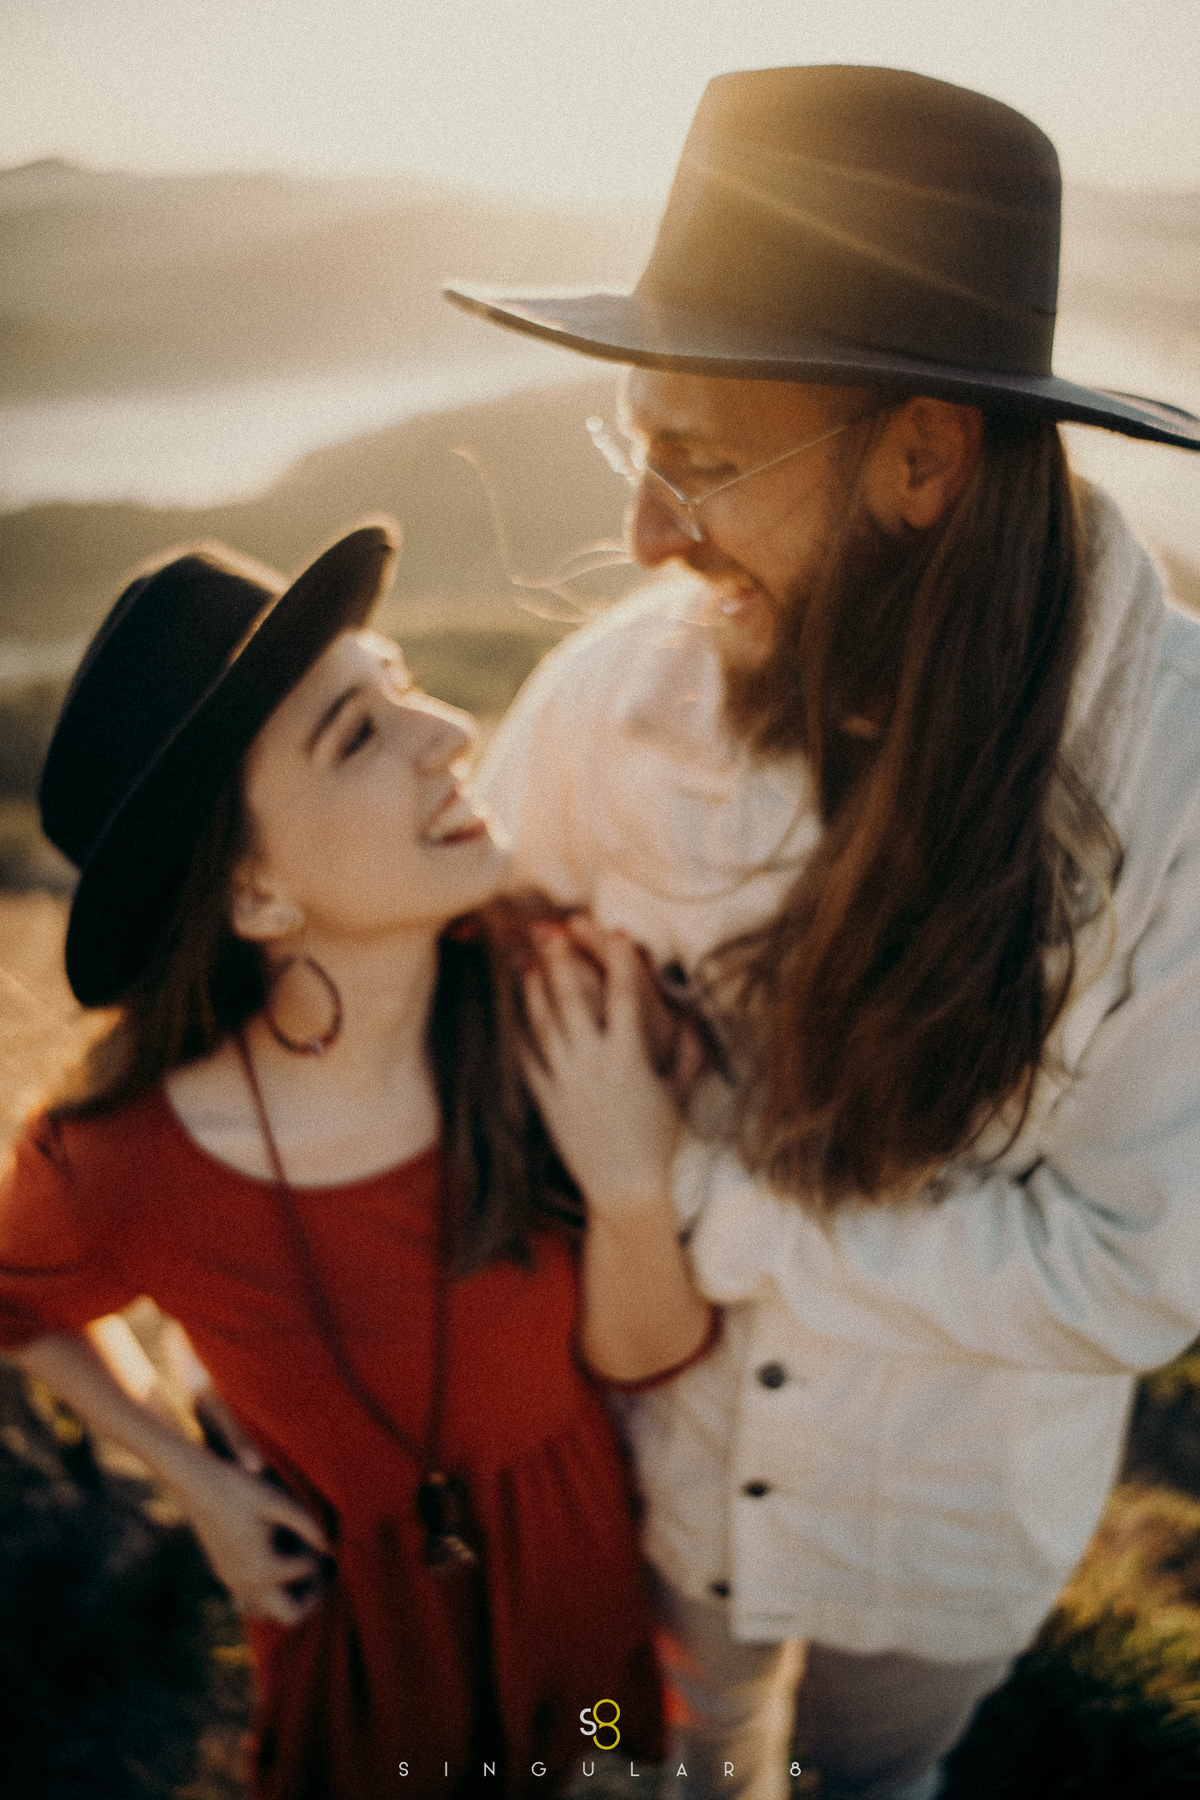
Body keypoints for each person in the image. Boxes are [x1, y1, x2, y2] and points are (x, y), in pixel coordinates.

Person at [444, 64, 1200, 1800]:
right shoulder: (613, 700)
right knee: (628, 1757)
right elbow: (476, 994)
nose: (642, 538)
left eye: (697, 463)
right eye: (633, 454)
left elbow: (1132, 1273)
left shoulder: (1184, 785)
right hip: (648, 1468)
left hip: (936, 1540)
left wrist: (682, 1199)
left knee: (870, 1781)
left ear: (924, 455)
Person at [0, 519, 709, 1797]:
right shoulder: (125, 1163)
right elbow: (16, 1305)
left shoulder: (556, 1003)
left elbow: (644, 1355)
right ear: (257, 895)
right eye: (358, 733)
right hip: (364, 1682)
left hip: (592, 1631)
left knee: (616, 1783)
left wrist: (630, 1186)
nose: (448, 732)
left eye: (397, 685)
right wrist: (191, 1478)